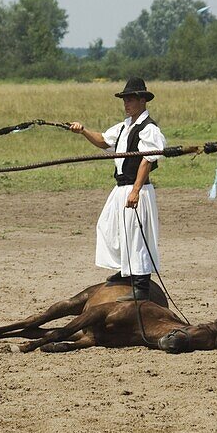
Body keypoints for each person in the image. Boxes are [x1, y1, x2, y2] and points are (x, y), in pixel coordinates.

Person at [68, 78, 165, 300]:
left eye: (130, 99)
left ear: (142, 100)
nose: (126, 103)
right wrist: (83, 130)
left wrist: (136, 191)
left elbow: (147, 160)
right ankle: (126, 271)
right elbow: (103, 140)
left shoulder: (148, 128)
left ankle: (140, 285)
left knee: (136, 235)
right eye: (125, 99)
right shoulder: (124, 126)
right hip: (120, 187)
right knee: (111, 228)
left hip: (135, 187)